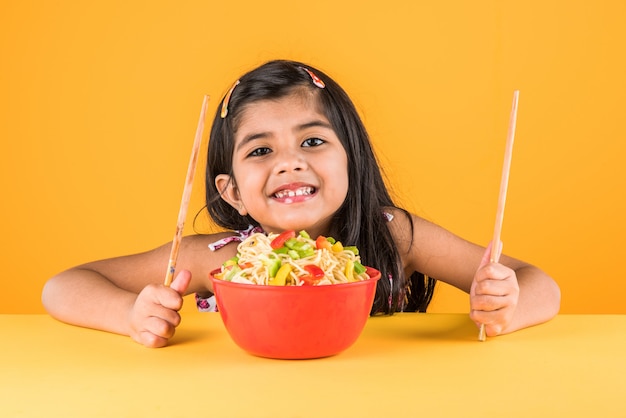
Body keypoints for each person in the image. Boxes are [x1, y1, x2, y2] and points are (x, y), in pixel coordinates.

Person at [42, 59, 561, 348]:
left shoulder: (391, 233)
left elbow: (543, 286)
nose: (289, 163)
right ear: (232, 192)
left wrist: (506, 308)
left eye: (312, 142)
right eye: (262, 150)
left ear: (350, 161)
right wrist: (129, 315)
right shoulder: (216, 258)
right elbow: (62, 287)